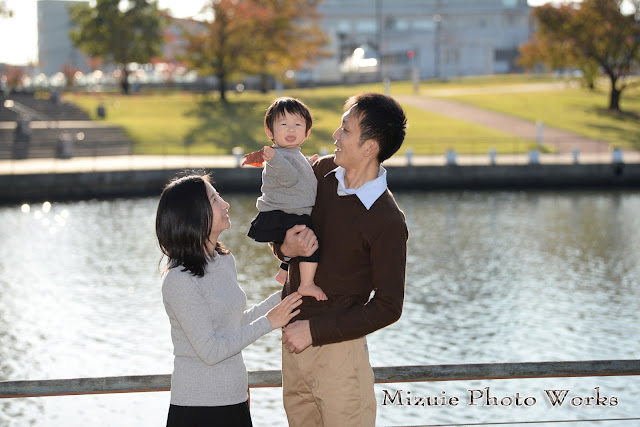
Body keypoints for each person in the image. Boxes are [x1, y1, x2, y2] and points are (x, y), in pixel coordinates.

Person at [274, 92, 409, 426]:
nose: (335, 134)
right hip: (291, 346)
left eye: (345, 130)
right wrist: (285, 248)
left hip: (338, 358)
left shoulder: (387, 221)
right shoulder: (318, 173)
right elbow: (282, 233)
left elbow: (389, 306)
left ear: (370, 146)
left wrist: (314, 331)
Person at [155, 173, 303, 427]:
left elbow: (232, 325)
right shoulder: (178, 280)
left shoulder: (223, 260)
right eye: (215, 199)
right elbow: (211, 351)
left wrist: (285, 296)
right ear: (194, 214)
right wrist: (269, 322)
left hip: (234, 398)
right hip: (198, 409)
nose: (226, 205)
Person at [246, 97, 327, 301]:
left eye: (297, 125)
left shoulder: (291, 154)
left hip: (290, 212)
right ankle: (307, 284)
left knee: (300, 241)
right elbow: (289, 177)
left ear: (307, 131)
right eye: (283, 125)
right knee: (312, 244)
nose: (291, 130)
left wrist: (308, 164)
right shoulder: (277, 157)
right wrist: (274, 159)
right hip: (283, 214)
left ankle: (284, 271)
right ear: (270, 131)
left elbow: (296, 171)